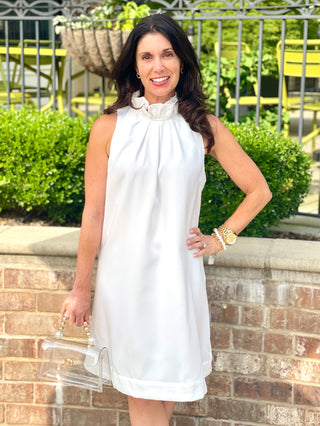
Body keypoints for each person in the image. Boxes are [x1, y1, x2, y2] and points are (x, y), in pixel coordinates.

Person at [61, 13, 272, 426]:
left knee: (165, 390)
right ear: (134, 66)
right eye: (147, 57)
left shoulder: (203, 128)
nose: (158, 67)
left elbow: (259, 191)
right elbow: (94, 213)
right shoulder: (107, 128)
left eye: (167, 54)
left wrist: (220, 238)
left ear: (182, 61)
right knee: (142, 393)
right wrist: (80, 289)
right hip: (124, 284)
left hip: (177, 282)